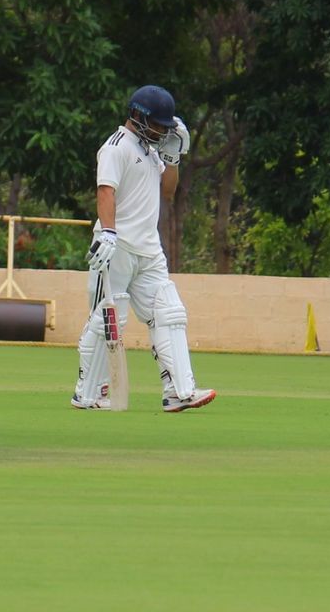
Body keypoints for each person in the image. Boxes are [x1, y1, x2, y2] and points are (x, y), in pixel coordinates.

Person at [73, 85, 217, 412]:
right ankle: (88, 391)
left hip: (149, 249)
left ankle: (178, 391)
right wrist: (108, 233)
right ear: (138, 116)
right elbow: (105, 191)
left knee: (169, 312)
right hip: (117, 247)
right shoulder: (116, 147)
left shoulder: (152, 151)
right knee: (107, 319)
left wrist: (174, 156)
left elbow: (168, 190)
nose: (164, 131)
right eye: (159, 125)